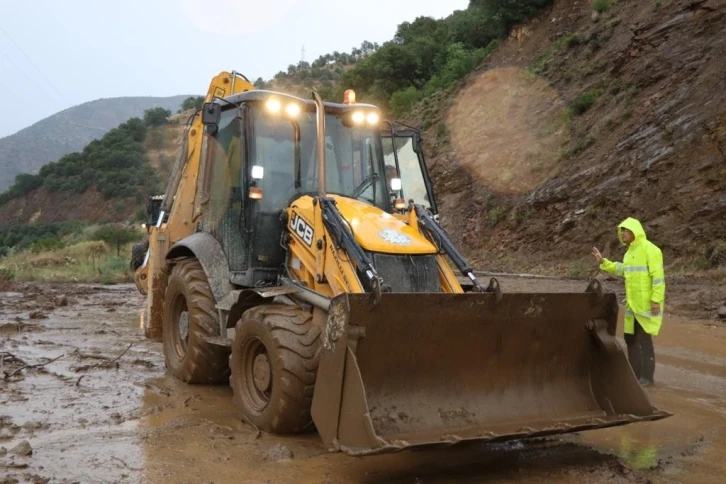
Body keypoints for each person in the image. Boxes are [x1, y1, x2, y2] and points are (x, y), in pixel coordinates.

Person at [592, 217, 665, 386]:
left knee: (645, 342)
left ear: (635, 231)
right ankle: (635, 376)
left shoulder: (651, 250)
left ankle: (647, 378)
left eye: (625, 230)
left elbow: (658, 278)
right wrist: (604, 262)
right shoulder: (629, 253)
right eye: (621, 231)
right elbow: (623, 269)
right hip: (633, 306)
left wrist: (656, 300)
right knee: (630, 339)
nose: (622, 234)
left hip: (647, 306)